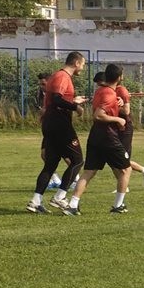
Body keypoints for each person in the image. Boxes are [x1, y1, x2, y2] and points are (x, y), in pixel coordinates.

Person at [64, 65, 130, 215]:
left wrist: (116, 104)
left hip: (95, 135)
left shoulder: (101, 91)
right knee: (126, 169)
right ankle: (118, 206)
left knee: (88, 172)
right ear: (120, 77)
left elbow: (103, 107)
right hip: (108, 136)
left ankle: (72, 205)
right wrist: (118, 120)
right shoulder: (109, 94)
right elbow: (99, 115)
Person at [27, 51, 88, 213]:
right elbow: (56, 99)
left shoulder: (57, 76)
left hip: (50, 123)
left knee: (51, 164)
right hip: (59, 124)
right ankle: (60, 197)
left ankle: (35, 201)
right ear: (76, 63)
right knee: (77, 161)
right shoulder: (62, 76)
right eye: (83, 64)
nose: (83, 67)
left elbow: (58, 100)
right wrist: (76, 107)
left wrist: (73, 101)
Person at [114, 79, 144, 188]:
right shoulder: (110, 91)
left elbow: (126, 111)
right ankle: (123, 186)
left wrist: (114, 106)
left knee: (122, 160)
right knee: (113, 159)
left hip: (124, 128)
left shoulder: (121, 91)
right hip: (115, 127)